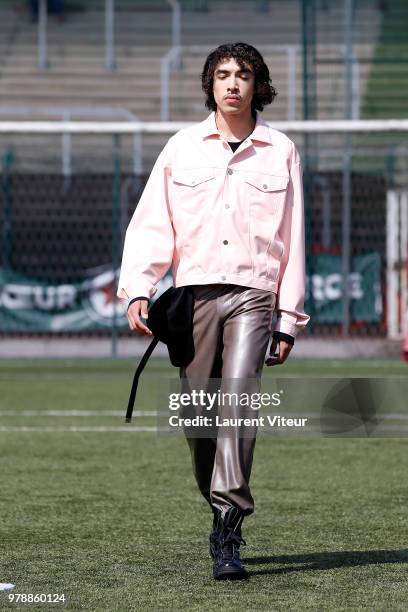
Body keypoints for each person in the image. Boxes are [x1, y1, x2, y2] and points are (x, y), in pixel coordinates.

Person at [117, 42, 309, 580]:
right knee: (200, 418)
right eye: (222, 74)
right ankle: (215, 499)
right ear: (210, 83)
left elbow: (294, 238)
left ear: (257, 85)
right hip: (195, 297)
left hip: (254, 295)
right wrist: (138, 287)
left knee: (238, 402)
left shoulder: (281, 150)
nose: (232, 84)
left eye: (242, 75)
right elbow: (152, 223)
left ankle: (228, 523)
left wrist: (287, 318)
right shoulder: (181, 148)